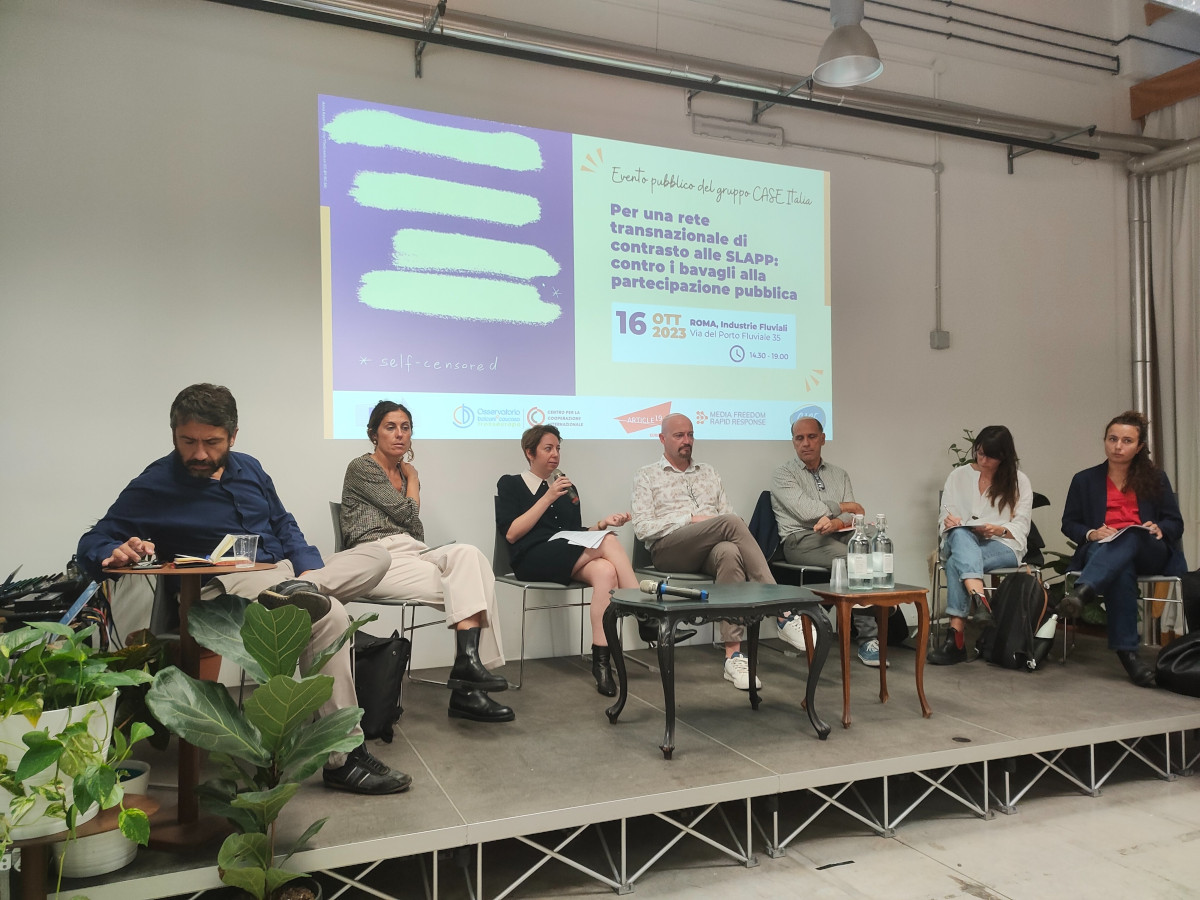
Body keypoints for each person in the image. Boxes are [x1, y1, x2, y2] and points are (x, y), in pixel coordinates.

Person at [77, 383, 411, 796]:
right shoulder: (156, 483)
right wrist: (112, 550)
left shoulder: (250, 469)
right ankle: (345, 758)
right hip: (225, 585)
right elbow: (96, 538)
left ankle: (299, 590)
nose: (199, 453)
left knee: (377, 555)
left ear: (232, 436)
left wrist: (308, 569)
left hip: (283, 572)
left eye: (212, 442)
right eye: (188, 442)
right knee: (332, 615)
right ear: (174, 435)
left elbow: (284, 524)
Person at [340, 401, 514, 724]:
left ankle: (468, 667)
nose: (399, 434)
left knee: (470, 556)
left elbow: (413, 529)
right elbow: (408, 513)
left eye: (405, 427)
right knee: (473, 585)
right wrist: (415, 479)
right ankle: (468, 689)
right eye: (390, 427)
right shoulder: (362, 467)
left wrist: (409, 482)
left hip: (413, 552)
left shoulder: (401, 473)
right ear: (374, 434)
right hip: (375, 557)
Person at [631, 413, 777, 691]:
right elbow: (642, 528)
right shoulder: (647, 475)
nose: (686, 440)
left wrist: (714, 524)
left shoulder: (709, 472)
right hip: (669, 550)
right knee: (730, 522)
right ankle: (777, 603)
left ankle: (733, 655)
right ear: (662, 439)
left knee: (730, 552)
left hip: (708, 550)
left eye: (690, 434)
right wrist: (690, 519)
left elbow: (728, 517)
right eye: (679, 435)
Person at [496, 424, 639, 697]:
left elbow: (573, 535)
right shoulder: (511, 484)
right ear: (529, 452)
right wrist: (548, 496)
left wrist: (601, 524)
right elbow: (512, 533)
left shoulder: (567, 488)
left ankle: (601, 663)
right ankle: (644, 614)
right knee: (609, 541)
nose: (555, 454)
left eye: (558, 448)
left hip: (563, 555)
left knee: (606, 571)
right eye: (548, 448)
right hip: (531, 559)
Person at [1060, 410, 1187, 687]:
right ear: (1105, 441)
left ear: (1139, 447)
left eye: (1127, 441)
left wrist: (1159, 528)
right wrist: (1092, 533)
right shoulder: (1084, 479)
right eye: (1112, 439)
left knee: (1130, 536)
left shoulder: (1156, 478)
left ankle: (1084, 591)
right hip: (1103, 548)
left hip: (1147, 549)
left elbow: (1175, 523)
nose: (1118, 446)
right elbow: (1069, 523)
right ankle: (1128, 656)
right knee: (1121, 567)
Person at [770, 416, 885, 667]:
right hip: (801, 539)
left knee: (876, 540)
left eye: (811, 437)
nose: (806, 443)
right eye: (799, 438)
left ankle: (879, 606)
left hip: (837, 534)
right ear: (793, 442)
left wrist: (835, 523)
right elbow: (807, 512)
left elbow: (854, 516)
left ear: (822, 439)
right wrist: (844, 507)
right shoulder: (783, 474)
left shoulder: (839, 474)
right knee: (855, 559)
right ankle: (868, 638)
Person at [929, 425, 1033, 666]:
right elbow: (945, 515)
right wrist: (950, 521)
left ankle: (955, 640)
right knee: (959, 533)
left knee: (956, 563)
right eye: (980, 452)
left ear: (1004, 456)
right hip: (960, 539)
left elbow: (1021, 526)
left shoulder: (1019, 481)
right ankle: (979, 598)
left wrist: (997, 529)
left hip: (1002, 544)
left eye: (990, 456)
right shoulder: (958, 476)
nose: (982, 460)